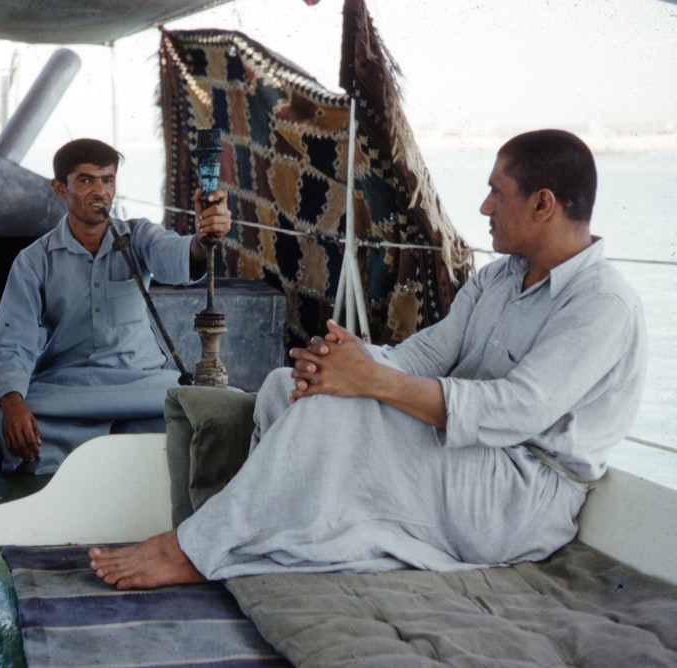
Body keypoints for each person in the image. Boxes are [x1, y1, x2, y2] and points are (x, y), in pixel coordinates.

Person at [88, 129, 647, 589]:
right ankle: (259, 530)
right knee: (290, 386)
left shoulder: (602, 304)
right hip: (467, 457)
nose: (484, 207)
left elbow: (514, 410)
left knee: (334, 411)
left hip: (519, 494)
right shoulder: (500, 277)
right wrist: (345, 359)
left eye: (496, 193)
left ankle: (197, 549)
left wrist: (369, 381)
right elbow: (425, 355)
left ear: (543, 204)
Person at [0, 138, 231, 475]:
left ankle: (91, 447)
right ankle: (127, 440)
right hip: (70, 388)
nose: (100, 191)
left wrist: (204, 239)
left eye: (108, 180)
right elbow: (13, 342)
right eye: (86, 180)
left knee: (221, 406)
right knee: (3, 419)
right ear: (60, 188)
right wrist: (12, 401)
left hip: (143, 384)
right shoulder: (33, 261)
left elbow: (178, 256)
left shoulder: (139, 236)